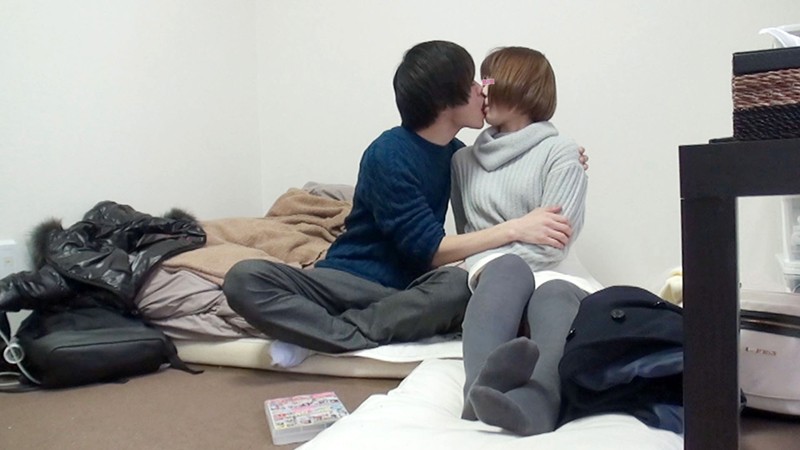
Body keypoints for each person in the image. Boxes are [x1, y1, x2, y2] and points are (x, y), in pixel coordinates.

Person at [223, 40, 582, 356]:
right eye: (474, 83)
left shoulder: (458, 156)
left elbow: (506, 162)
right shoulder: (389, 153)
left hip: (414, 290)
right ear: (446, 98)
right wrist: (516, 228)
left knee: (460, 286)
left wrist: (563, 157)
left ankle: (331, 331)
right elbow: (430, 249)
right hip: (351, 279)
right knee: (244, 279)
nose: (482, 92)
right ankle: (358, 331)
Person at [451, 46, 591, 436]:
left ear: (521, 85)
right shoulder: (461, 162)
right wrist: (506, 242)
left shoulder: (561, 152)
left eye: (488, 80)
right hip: (493, 269)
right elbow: (469, 235)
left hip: (553, 268)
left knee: (555, 295)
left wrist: (499, 249)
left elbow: (554, 242)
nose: (481, 90)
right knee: (508, 270)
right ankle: (477, 391)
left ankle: (537, 404)